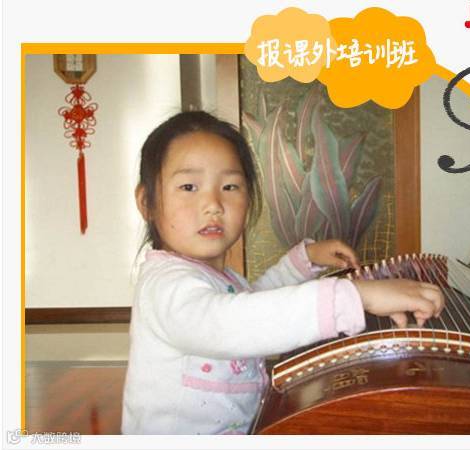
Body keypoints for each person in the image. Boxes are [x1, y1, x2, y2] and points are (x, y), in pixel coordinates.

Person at [121, 111, 444, 435]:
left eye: (230, 186)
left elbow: (255, 302)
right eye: (189, 186)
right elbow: (231, 322)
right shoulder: (164, 285)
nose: (213, 204)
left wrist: (302, 261)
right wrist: (357, 296)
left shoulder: (218, 277)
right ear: (147, 202)